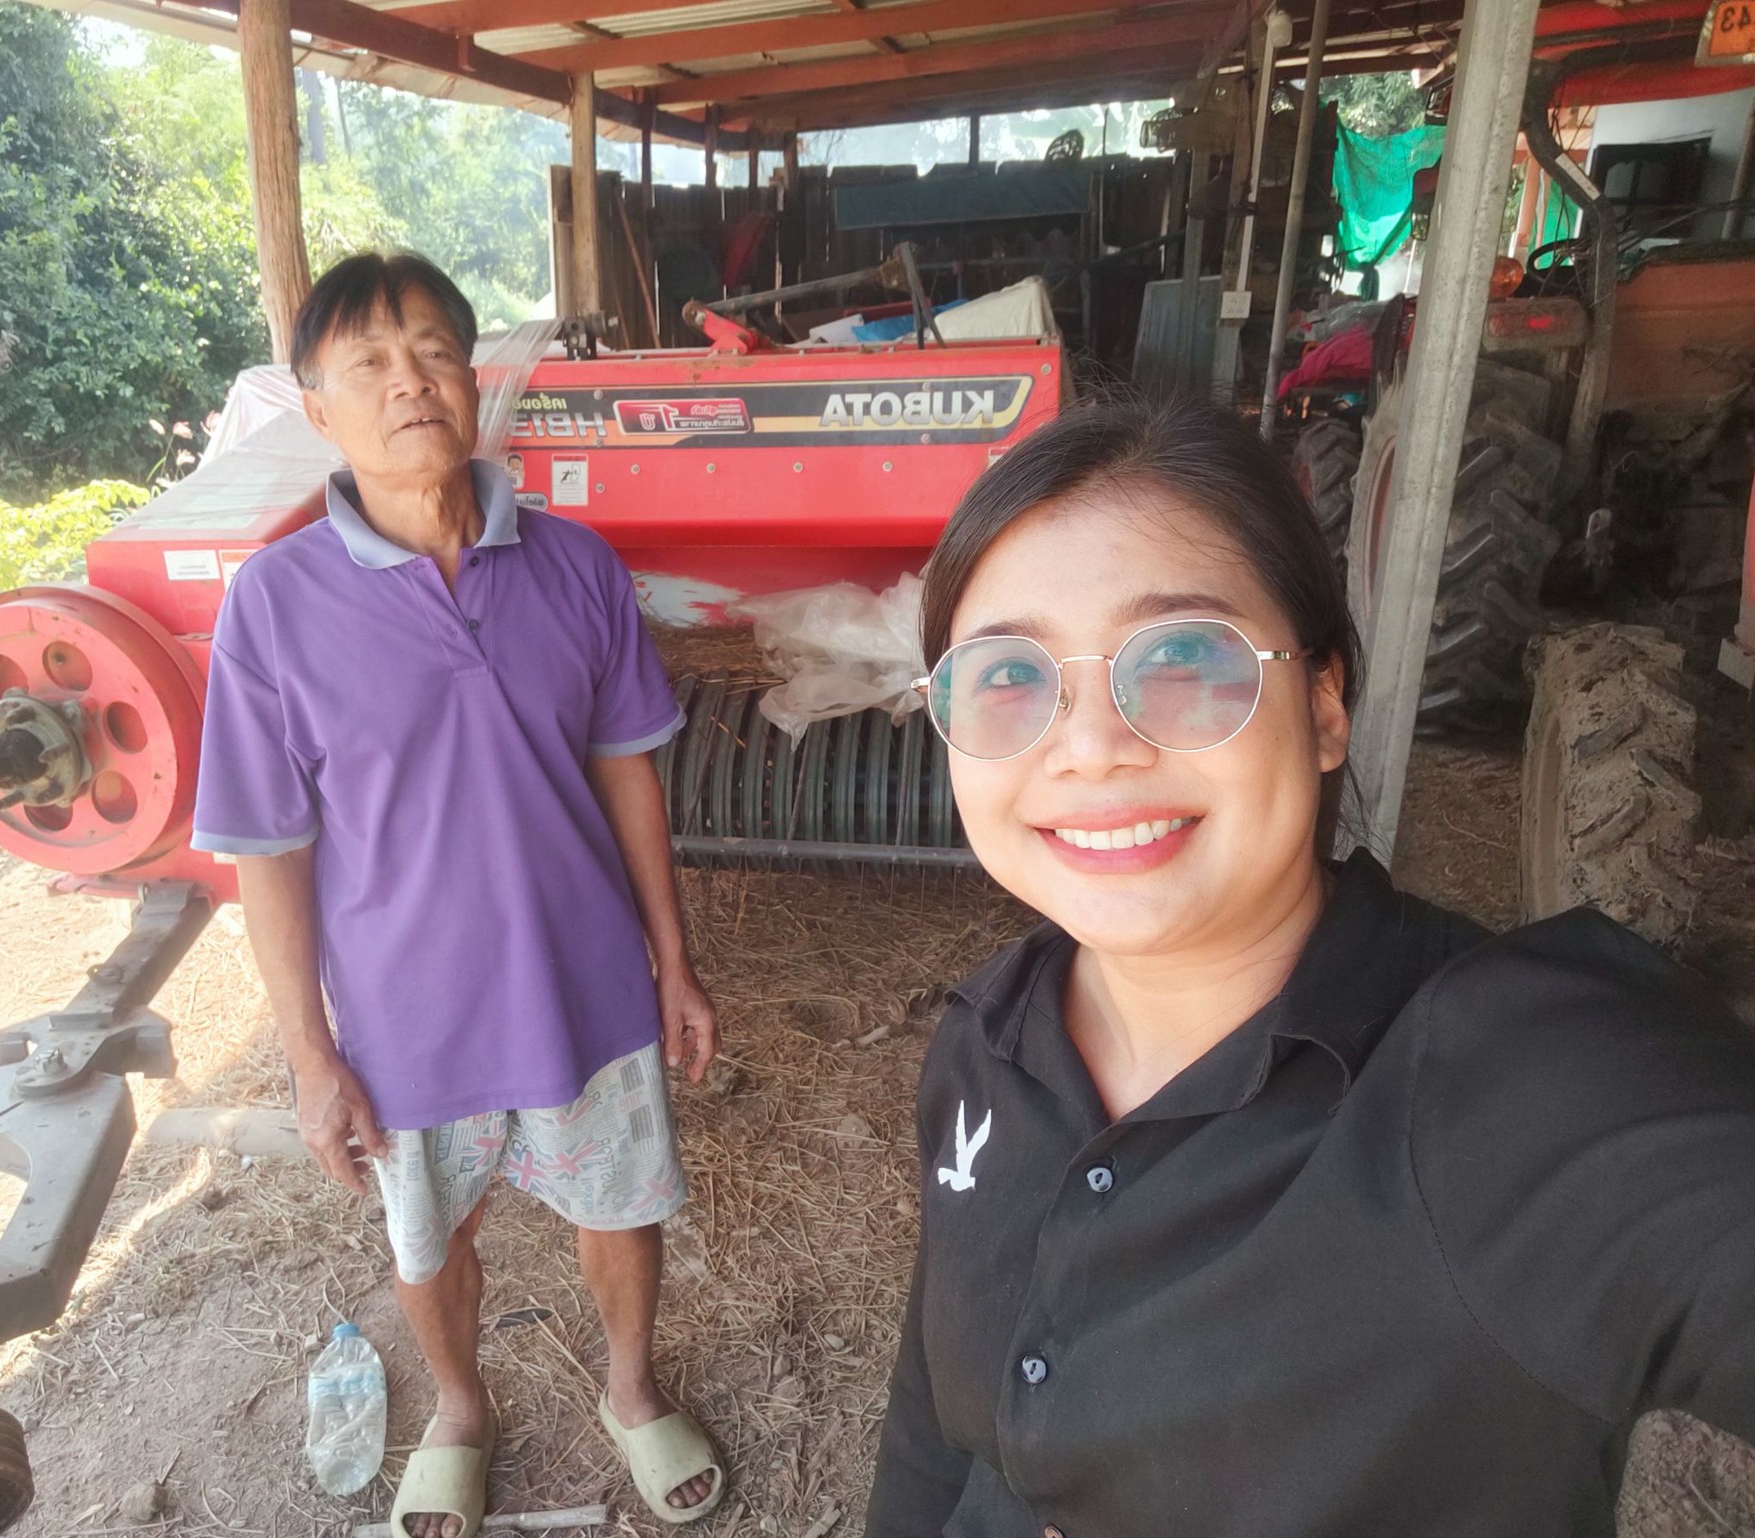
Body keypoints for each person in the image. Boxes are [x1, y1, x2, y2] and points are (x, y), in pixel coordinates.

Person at [866, 394, 1755, 1536]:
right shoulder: (986, 1038)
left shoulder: (1518, 1093)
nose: (1088, 748)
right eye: (1005, 676)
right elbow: (933, 1423)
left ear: (1325, 704)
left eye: (1183, 656)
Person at [192, 252, 727, 1538]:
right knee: (428, 1238)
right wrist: (309, 1056)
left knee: (621, 1203)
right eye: (369, 363)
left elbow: (627, 770)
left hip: (585, 983)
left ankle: (630, 1384)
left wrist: (671, 959)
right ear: (316, 408)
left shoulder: (575, 564)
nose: (409, 383)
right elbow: (268, 849)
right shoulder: (273, 604)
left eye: (433, 351)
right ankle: (458, 1404)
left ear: (474, 382)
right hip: (406, 1012)